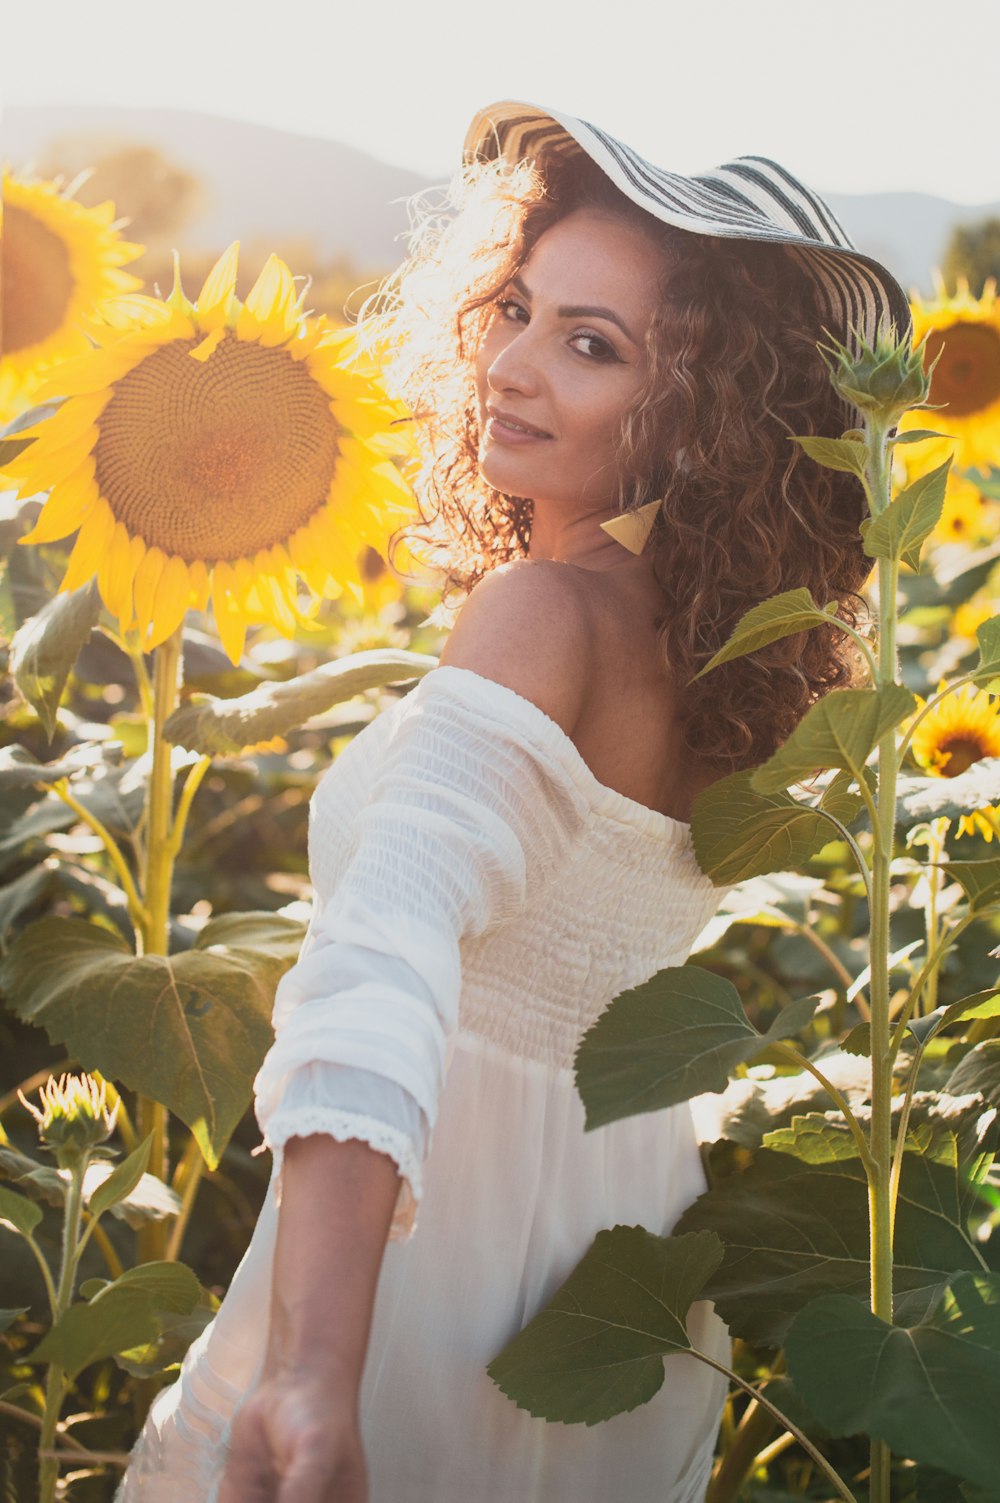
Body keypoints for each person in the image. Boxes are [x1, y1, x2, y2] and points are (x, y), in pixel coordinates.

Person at [116, 102, 910, 1503]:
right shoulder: (731, 672)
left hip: (434, 1255)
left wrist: (311, 1370)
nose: (515, 365)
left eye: (594, 347)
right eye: (523, 310)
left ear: (701, 422)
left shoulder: (543, 612)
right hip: (621, 1263)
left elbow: (390, 948)